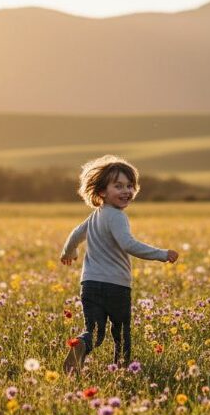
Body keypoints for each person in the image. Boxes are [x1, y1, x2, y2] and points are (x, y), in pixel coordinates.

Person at [60, 155, 179, 373]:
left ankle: (81, 345)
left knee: (94, 332)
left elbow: (75, 234)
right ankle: (123, 370)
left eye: (130, 186)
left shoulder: (96, 216)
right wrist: (161, 254)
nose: (126, 191)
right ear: (102, 192)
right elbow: (128, 244)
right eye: (118, 186)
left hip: (90, 285)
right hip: (116, 286)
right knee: (121, 332)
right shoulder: (117, 216)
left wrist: (69, 251)